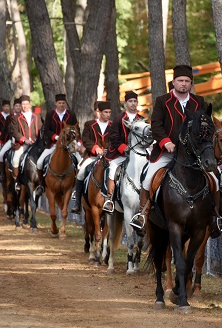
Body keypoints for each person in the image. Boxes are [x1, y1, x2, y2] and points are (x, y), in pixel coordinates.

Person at [129, 64, 206, 236]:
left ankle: (219, 214)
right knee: (148, 178)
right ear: (173, 82)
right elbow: (156, 125)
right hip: (166, 152)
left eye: (187, 81)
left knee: (216, 176)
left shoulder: (199, 102)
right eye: (180, 80)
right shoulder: (162, 101)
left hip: (193, 155)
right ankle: (143, 214)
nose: (183, 84)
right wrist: (166, 142)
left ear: (191, 84)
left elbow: (204, 126)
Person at [102, 91, 147, 214]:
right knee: (112, 170)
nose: (133, 104)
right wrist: (124, 148)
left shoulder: (142, 119)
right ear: (125, 103)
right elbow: (114, 137)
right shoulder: (118, 118)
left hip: (139, 154)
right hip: (119, 154)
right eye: (130, 101)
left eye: (135, 101)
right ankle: (110, 199)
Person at [70, 101, 114, 213]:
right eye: (106, 112)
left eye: (109, 112)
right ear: (99, 112)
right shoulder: (89, 125)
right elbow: (85, 139)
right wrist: (96, 148)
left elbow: (115, 140)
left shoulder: (113, 125)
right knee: (80, 173)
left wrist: (107, 149)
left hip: (109, 157)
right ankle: (77, 202)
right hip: (93, 156)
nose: (108, 114)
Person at [36, 94, 80, 196]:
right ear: (56, 103)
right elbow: (46, 130)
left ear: (65, 103)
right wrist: (55, 137)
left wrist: (78, 142)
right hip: (54, 144)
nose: (61, 105)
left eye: (63, 103)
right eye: (59, 103)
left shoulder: (71, 114)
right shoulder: (50, 114)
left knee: (81, 163)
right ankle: (41, 185)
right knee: (39, 162)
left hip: (70, 145)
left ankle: (77, 188)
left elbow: (76, 129)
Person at [8, 95, 42, 192]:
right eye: (23, 104)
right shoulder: (16, 118)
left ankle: (43, 181)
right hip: (23, 144)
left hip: (36, 144)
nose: (25, 106)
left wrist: (37, 140)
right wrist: (24, 139)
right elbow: (13, 131)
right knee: (15, 160)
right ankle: (17, 181)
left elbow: (40, 129)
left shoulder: (36, 116)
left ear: (30, 105)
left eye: (26, 104)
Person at [0, 97, 21, 184]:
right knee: (0, 155)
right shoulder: (9, 118)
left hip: (23, 141)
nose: (18, 107)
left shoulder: (24, 117)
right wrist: (0, 141)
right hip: (11, 140)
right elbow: (4, 131)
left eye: (19, 106)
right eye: (17, 106)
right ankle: (1, 174)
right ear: (13, 107)